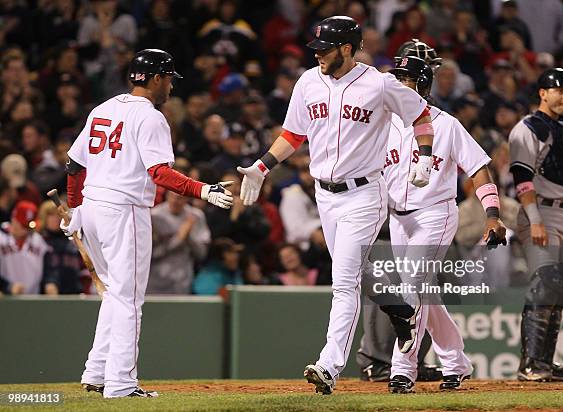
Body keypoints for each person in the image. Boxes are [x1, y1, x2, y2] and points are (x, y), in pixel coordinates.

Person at [238, 16, 435, 395]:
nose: (319, 56)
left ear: (347, 48)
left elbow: (421, 116)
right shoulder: (309, 80)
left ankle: (329, 365)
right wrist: (262, 167)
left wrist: (424, 157)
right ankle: (402, 310)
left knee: (343, 281)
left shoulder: (379, 83)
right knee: (354, 273)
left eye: (325, 49)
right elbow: (294, 134)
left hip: (364, 193)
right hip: (324, 195)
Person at [61, 49, 233, 398]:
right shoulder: (151, 117)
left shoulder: (103, 108)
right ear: (156, 78)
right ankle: (121, 383)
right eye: (168, 78)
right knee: (128, 299)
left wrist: (77, 207)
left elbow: (73, 165)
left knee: (113, 293)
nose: (170, 85)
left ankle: (96, 372)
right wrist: (203, 189)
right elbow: (159, 173)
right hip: (124, 210)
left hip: (93, 206)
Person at [371, 45, 506, 394]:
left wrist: (492, 215)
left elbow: (478, 168)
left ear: (424, 86)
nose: (400, 85)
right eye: (397, 78)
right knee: (426, 295)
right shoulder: (381, 125)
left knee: (412, 287)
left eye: (408, 79)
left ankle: (403, 368)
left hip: (435, 212)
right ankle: (456, 362)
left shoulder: (446, 125)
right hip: (398, 220)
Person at [509, 67, 563, 382]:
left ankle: (545, 362)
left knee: (559, 290)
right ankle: (530, 364)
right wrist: (535, 221)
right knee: (544, 284)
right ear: (543, 93)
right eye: (559, 90)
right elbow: (521, 179)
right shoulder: (527, 128)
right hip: (541, 213)